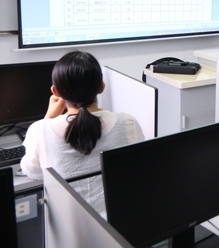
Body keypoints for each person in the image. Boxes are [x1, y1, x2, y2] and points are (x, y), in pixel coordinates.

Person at [20, 51, 144, 217]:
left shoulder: (40, 130)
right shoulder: (128, 123)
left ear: (55, 92)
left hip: (69, 228)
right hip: (118, 226)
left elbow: (33, 171)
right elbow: (137, 170)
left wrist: (48, 118)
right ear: (101, 87)